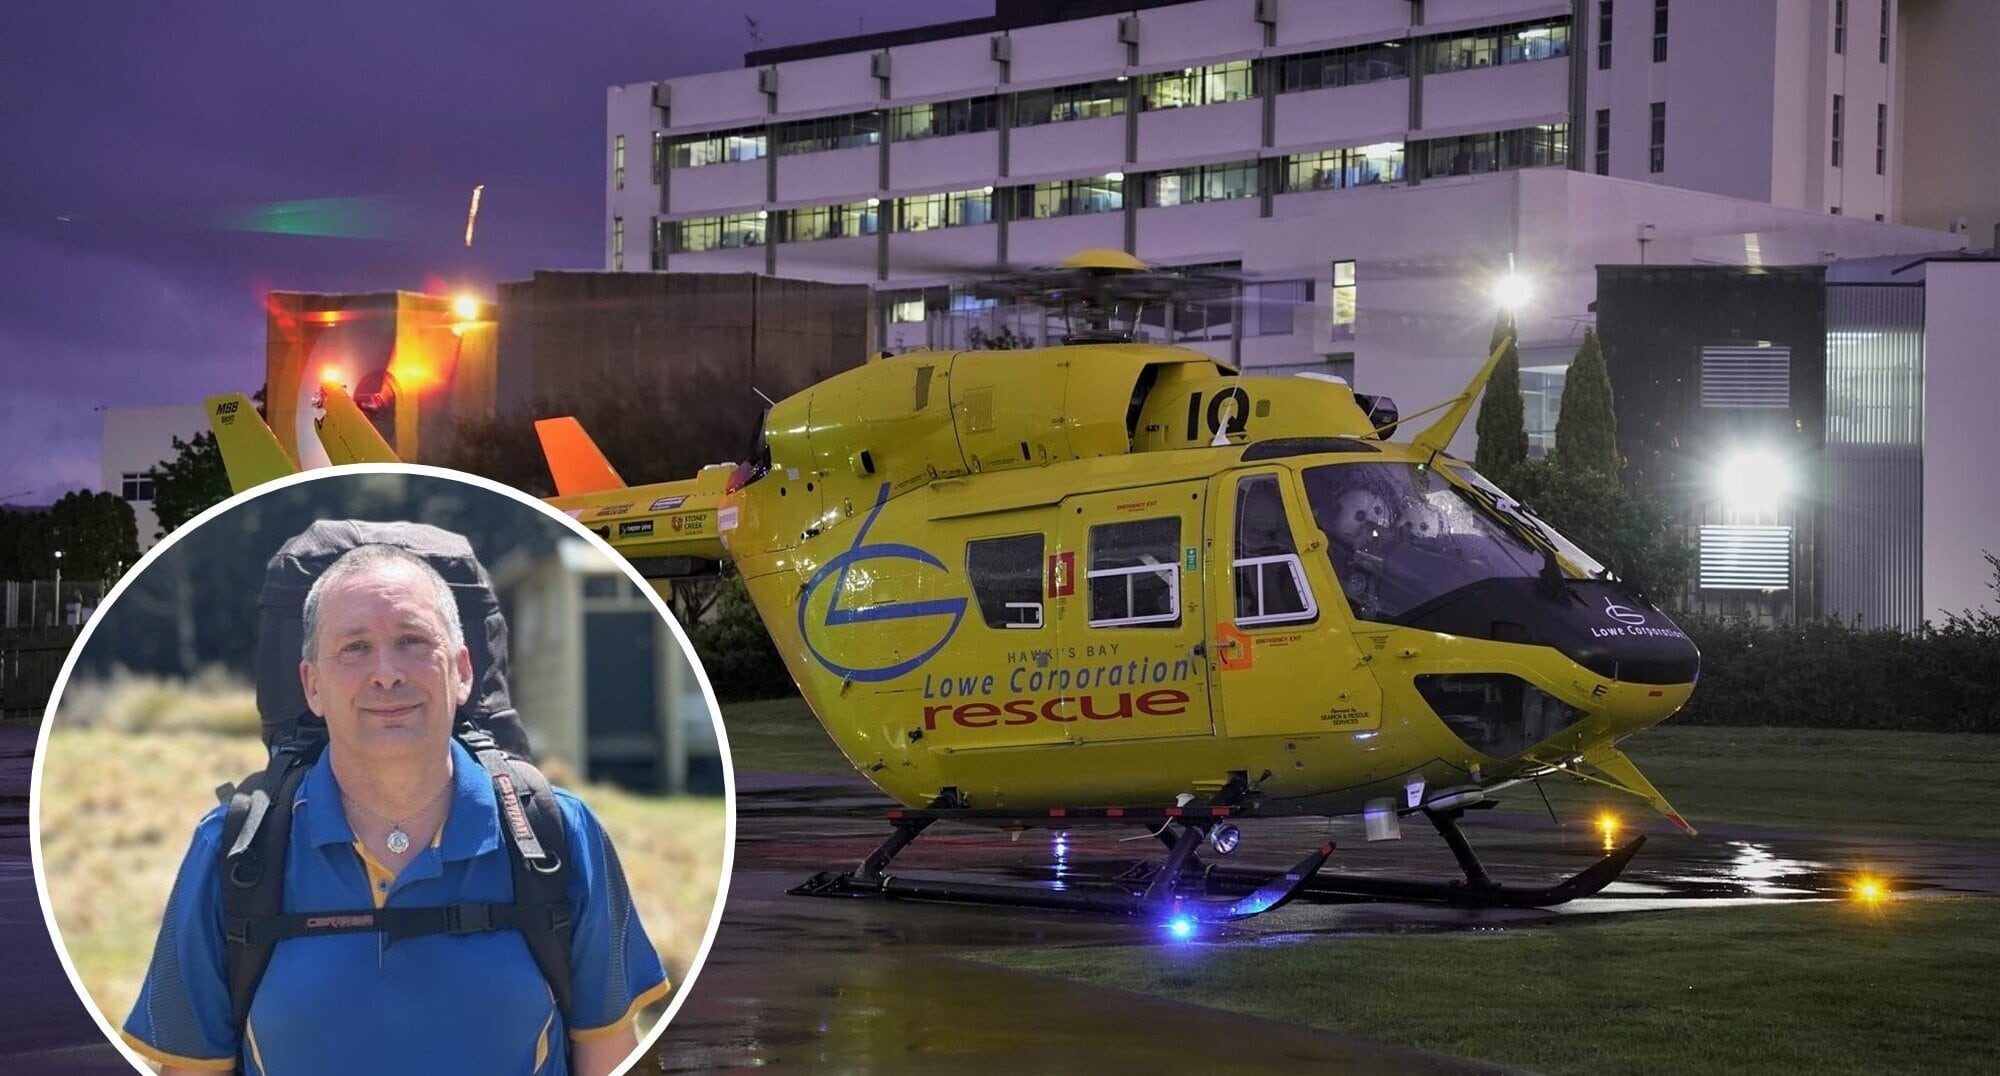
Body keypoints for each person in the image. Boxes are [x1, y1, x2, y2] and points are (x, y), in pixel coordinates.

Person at [121, 545, 669, 1075]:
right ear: (313, 685)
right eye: (355, 648)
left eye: (412, 641)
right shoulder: (236, 852)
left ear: (462, 671)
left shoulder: (558, 835)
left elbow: (609, 1055)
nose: (387, 673)